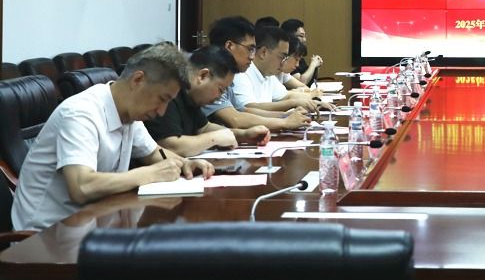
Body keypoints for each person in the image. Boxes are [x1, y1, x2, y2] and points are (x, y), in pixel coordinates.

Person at [12, 43, 215, 231]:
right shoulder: (81, 114)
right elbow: (82, 187)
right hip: (45, 236)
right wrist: (150, 174)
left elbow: (155, 154)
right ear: (138, 80)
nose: (162, 111)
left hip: (94, 222)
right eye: (162, 99)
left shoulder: (129, 113)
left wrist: (185, 164)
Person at [144, 46, 270, 157]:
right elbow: (171, 146)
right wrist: (214, 139)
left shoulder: (193, 97)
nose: (219, 97)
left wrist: (244, 135)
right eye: (220, 89)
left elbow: (204, 128)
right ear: (203, 76)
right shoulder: (170, 93)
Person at [203, 16, 310, 131]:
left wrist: (284, 116)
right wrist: (284, 122)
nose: (252, 56)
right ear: (229, 46)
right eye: (250, 49)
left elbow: (243, 111)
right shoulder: (209, 72)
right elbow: (235, 119)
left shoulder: (226, 73)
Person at [232, 26, 332, 113]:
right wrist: (293, 104)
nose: (283, 62)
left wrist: (313, 102)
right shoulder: (242, 73)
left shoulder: (268, 74)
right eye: (282, 57)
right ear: (263, 52)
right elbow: (248, 108)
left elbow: (287, 96)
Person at [281, 18, 322, 86]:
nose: (305, 39)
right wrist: (313, 64)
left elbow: (309, 82)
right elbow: (301, 81)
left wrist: (316, 66)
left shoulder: (298, 56)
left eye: (305, 36)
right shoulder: (289, 57)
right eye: (301, 36)